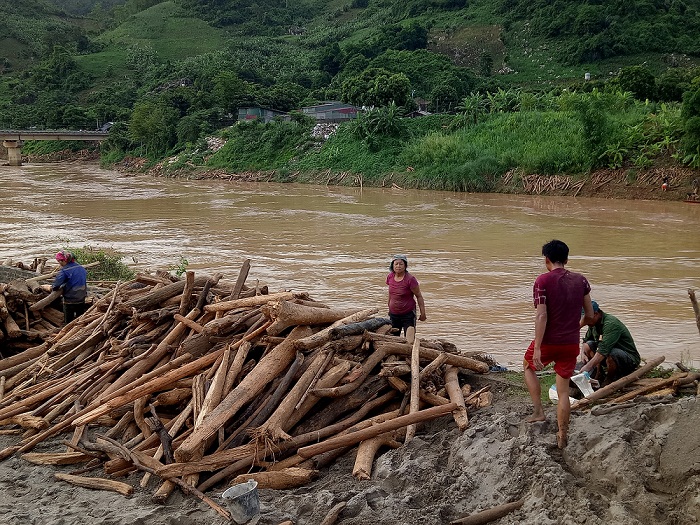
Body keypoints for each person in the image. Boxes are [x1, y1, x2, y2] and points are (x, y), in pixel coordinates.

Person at [523, 240, 594, 449]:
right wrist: (576, 327)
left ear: (547, 260)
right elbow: (590, 315)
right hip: (570, 343)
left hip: (548, 341)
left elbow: (541, 316)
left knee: (528, 366)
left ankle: (538, 412)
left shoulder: (542, 281)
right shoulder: (581, 281)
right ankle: (562, 434)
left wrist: (537, 347)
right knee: (563, 391)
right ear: (566, 259)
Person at [579, 300, 640, 385]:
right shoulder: (593, 323)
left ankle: (610, 379)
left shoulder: (610, 324)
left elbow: (603, 350)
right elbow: (586, 340)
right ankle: (598, 373)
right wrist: (583, 353)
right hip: (607, 355)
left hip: (627, 358)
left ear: (596, 314)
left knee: (611, 353)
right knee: (588, 345)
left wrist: (587, 366)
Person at [386, 254, 426, 344]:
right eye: (396, 264)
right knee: (393, 339)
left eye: (401, 264)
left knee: (409, 341)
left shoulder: (410, 279)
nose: (398, 266)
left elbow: (419, 296)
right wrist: (389, 307)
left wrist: (423, 313)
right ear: (392, 265)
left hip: (408, 314)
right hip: (394, 314)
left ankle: (410, 355)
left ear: (405, 266)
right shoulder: (390, 277)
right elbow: (391, 293)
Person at [52, 250, 88, 324]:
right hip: (82, 297)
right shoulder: (81, 268)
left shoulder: (64, 270)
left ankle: (68, 329)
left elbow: (55, 286)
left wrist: (53, 287)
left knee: (68, 320)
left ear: (63, 260)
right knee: (80, 317)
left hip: (70, 299)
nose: (59, 263)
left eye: (59, 261)